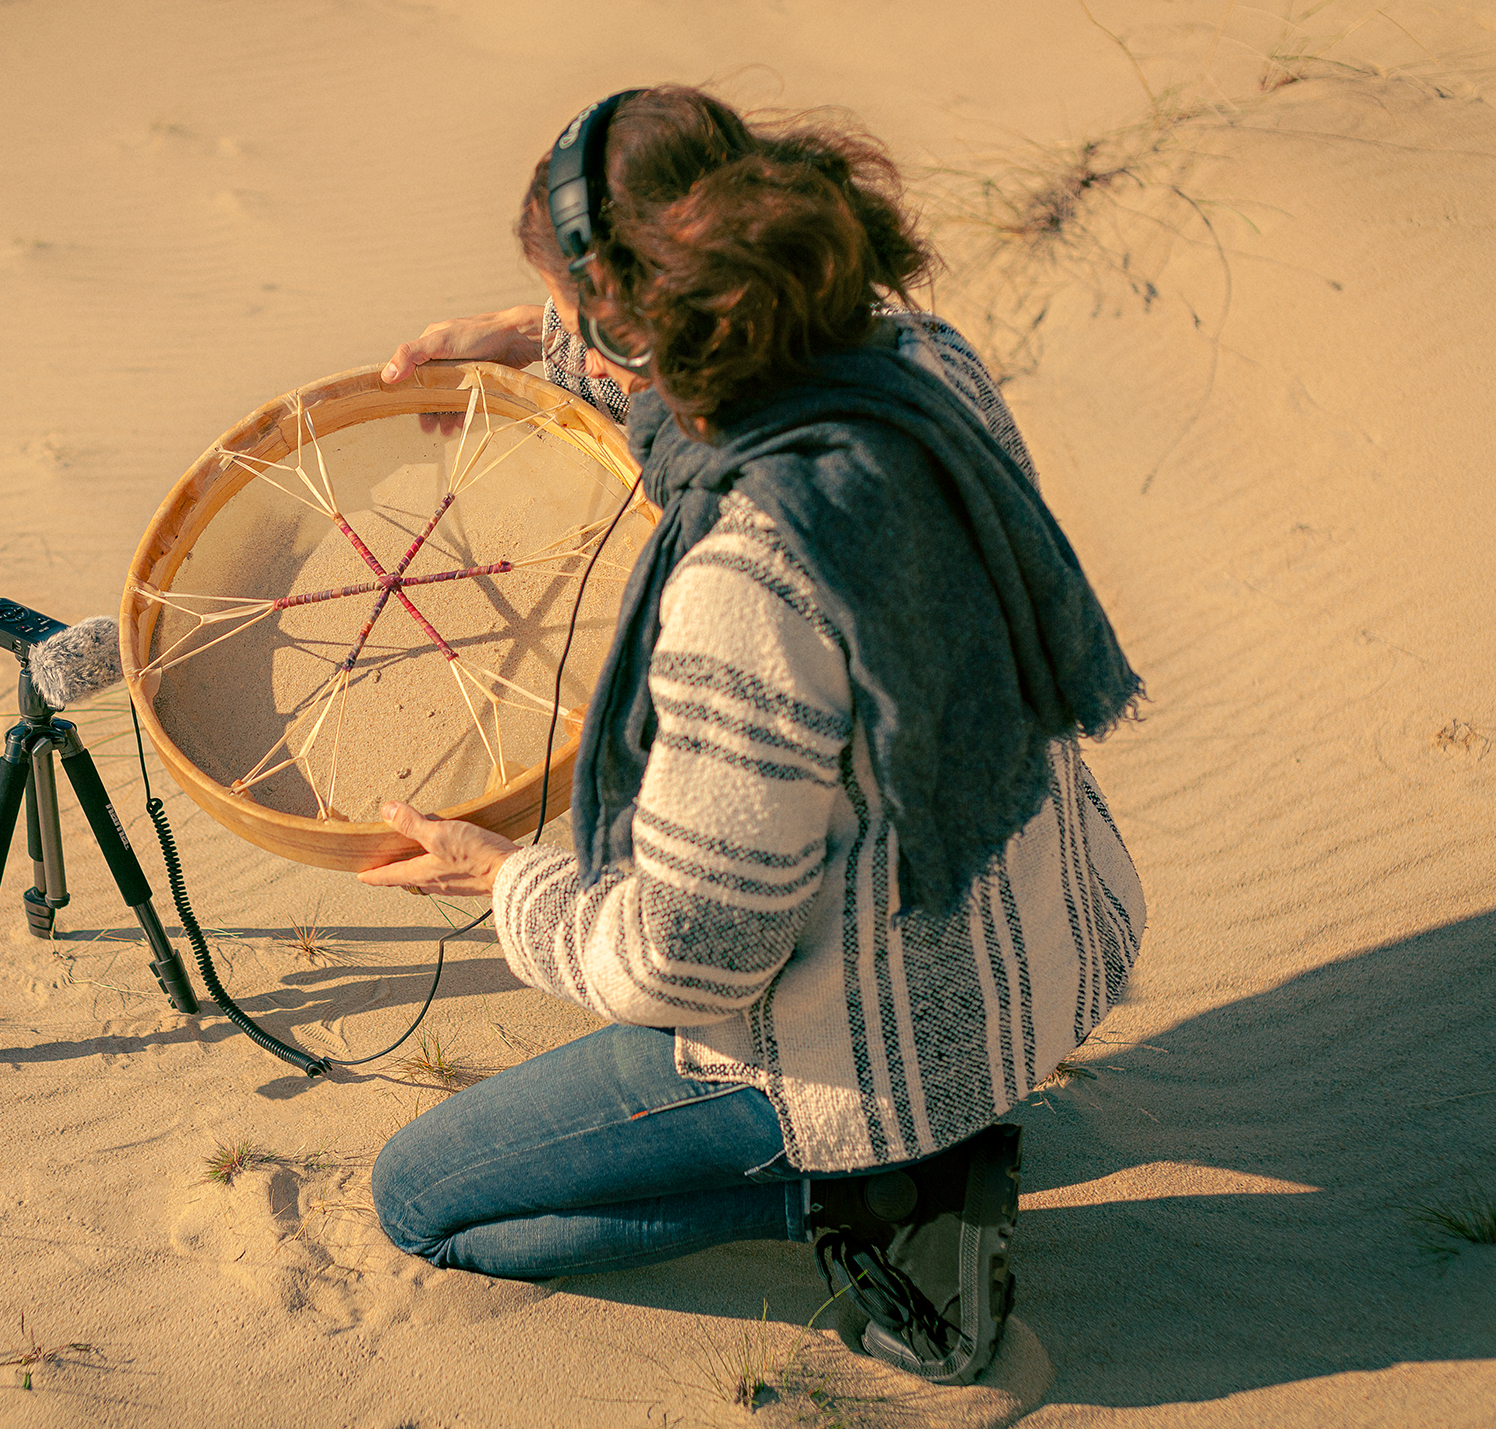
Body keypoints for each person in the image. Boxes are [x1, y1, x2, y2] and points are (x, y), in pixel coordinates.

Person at [355, 86, 1145, 1387]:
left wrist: (507, 883)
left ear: (634, 320)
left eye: (570, 311)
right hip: (1041, 950)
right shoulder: (921, 365)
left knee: (423, 1203)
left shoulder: (746, 577)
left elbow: (689, 958)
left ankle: (869, 1194)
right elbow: (723, 373)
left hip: (869, 1051)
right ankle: (927, 1142)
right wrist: (543, 339)